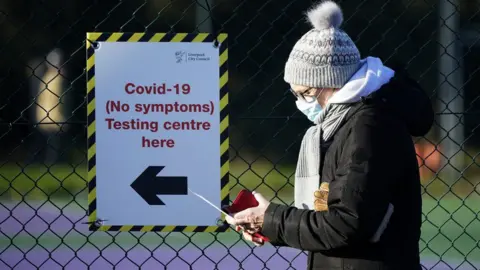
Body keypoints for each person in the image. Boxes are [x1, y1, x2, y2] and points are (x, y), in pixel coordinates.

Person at [225, 1, 434, 269]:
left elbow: (345, 224)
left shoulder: (368, 127)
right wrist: (269, 223)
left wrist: (270, 218)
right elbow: (335, 218)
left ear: (330, 81)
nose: (301, 102)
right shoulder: (346, 123)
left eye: (305, 93)